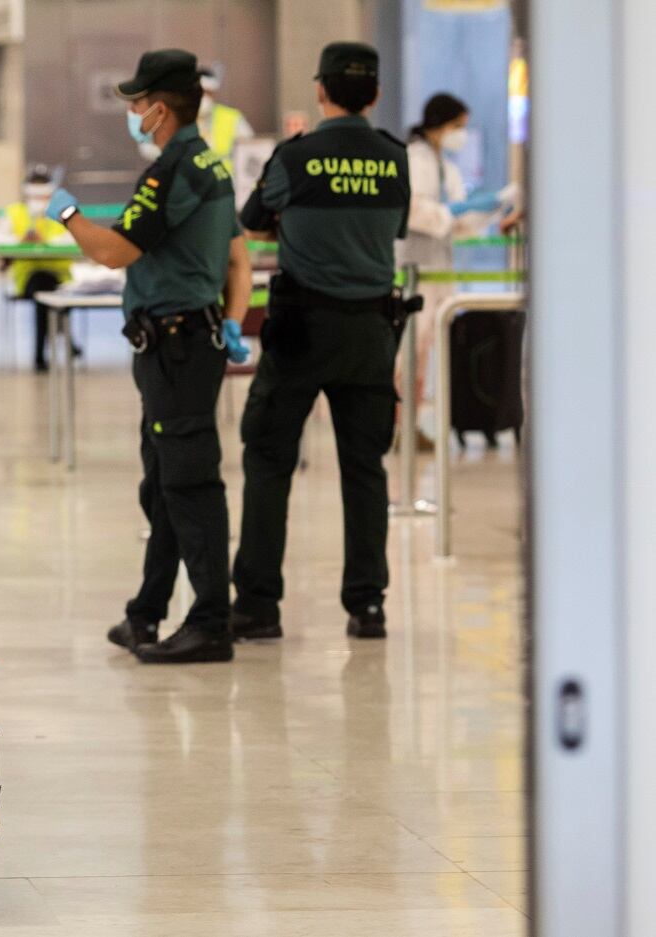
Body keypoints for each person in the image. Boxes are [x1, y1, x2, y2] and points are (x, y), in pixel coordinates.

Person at [46, 49, 253, 664]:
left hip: (178, 346)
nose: (132, 114)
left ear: (159, 109)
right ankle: (147, 613)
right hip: (189, 341)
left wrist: (67, 213)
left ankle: (212, 621)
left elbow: (113, 253)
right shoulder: (211, 165)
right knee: (164, 481)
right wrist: (236, 322)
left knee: (188, 482)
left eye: (137, 104)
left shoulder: (175, 170)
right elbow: (239, 259)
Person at [231, 42, 412, 642]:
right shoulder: (395, 159)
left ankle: (258, 607)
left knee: (269, 460)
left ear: (321, 90)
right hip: (371, 333)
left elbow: (254, 219)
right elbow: (395, 226)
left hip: (301, 332)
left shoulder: (297, 157)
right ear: (377, 95)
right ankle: (367, 606)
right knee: (366, 471)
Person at [398, 92, 510, 447]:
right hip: (414, 268)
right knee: (407, 353)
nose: (461, 133)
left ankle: (411, 427)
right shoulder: (414, 159)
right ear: (441, 124)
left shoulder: (445, 164)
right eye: (458, 126)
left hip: (439, 270)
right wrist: (450, 212)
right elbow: (412, 210)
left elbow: (457, 221)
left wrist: (491, 208)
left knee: (425, 351)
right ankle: (399, 427)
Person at [0, 165, 76, 371]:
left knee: (49, 287)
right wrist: (20, 239)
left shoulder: (62, 211)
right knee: (43, 285)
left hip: (62, 279)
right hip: (28, 280)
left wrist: (46, 240)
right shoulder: (15, 212)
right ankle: (53, 348)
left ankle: (44, 353)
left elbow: (73, 239)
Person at [198, 65, 255, 166]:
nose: (204, 98)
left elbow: (249, 150)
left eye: (208, 93)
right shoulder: (181, 118)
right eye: (201, 93)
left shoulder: (231, 117)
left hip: (228, 179)